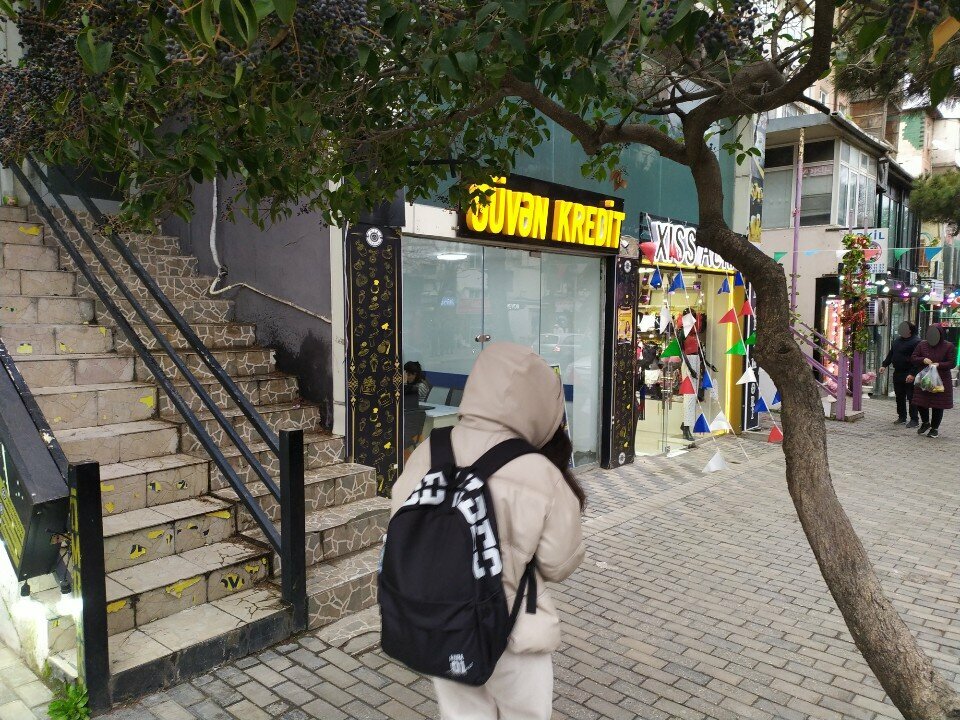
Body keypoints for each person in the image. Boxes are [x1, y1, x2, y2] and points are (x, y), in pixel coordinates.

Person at [390, 343, 586, 720]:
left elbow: (401, 517)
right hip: (515, 631)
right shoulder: (539, 470)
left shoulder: (432, 448)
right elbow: (559, 562)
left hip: (444, 622)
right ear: (542, 405)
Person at [908, 323, 957, 438]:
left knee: (937, 405)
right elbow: (913, 358)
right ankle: (925, 422)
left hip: (941, 380)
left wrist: (939, 364)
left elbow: (952, 363)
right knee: (920, 402)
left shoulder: (948, 346)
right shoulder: (922, 344)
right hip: (924, 379)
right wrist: (923, 359)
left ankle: (934, 429)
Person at [879, 321, 921, 427]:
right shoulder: (897, 341)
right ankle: (902, 417)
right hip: (898, 372)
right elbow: (891, 354)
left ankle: (914, 419)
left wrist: (912, 374)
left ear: (910, 330)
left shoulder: (916, 342)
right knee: (899, 396)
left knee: (911, 397)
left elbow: (917, 360)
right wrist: (884, 365)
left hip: (909, 372)